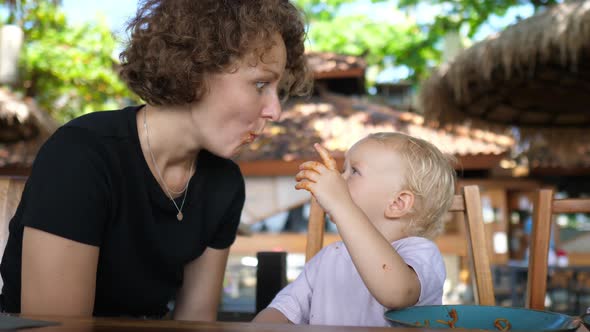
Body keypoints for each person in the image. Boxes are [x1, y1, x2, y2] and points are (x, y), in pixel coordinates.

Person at [0, 0, 311, 320]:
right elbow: (58, 329)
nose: (275, 111)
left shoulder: (224, 183)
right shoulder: (82, 155)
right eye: (261, 84)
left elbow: (195, 322)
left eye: (277, 89)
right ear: (196, 67)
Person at [254, 132, 456, 326]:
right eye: (344, 170)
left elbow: (396, 293)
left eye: (354, 172)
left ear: (398, 203)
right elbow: (283, 311)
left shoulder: (422, 254)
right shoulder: (328, 258)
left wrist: (342, 204)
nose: (338, 180)